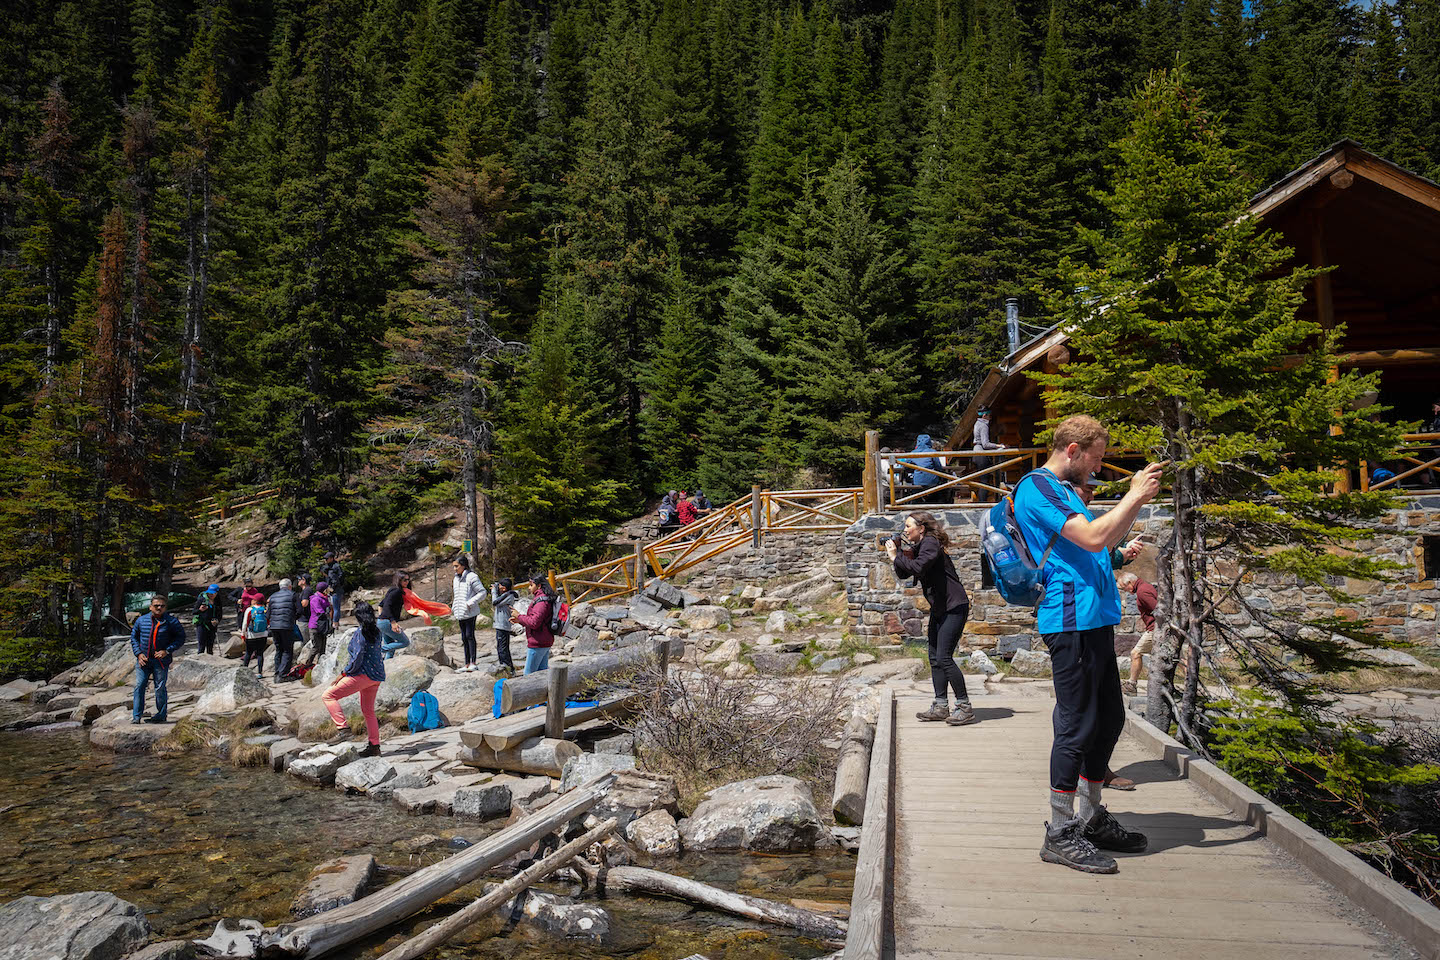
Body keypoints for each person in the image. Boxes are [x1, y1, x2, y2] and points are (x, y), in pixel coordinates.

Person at [1013, 413, 1163, 874]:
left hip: (1093, 618)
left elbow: (1104, 544)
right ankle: (1060, 833)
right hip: (1070, 619)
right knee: (1077, 725)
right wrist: (1135, 494)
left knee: (1109, 718)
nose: (1098, 468)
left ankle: (1090, 815)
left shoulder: (1061, 491)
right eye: (1096, 458)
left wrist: (1133, 507)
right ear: (1073, 450)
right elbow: (1095, 536)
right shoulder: (1036, 487)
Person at [886, 512, 974, 726]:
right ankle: (941, 705)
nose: (905, 530)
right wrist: (898, 555)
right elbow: (906, 574)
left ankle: (964, 707)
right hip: (940, 607)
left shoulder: (931, 544)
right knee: (934, 657)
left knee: (944, 657)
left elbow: (918, 567)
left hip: (954, 606)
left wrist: (895, 556)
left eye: (908, 526)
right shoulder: (921, 546)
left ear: (921, 528)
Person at [321, 600, 385, 758]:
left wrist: (344, 673)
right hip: (376, 676)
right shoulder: (377, 631)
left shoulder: (360, 633)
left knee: (328, 696)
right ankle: (374, 746)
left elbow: (356, 658)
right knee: (368, 711)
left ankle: (343, 729)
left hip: (362, 675)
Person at [130, 595, 187, 724]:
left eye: (162, 606)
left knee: (160, 687)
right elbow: (134, 638)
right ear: (151, 607)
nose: (159, 608)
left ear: (166, 607)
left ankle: (161, 715)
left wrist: (167, 651)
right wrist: (138, 654)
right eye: (156, 606)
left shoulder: (172, 622)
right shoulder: (141, 620)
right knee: (139, 686)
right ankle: (136, 716)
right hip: (143, 660)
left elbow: (181, 638)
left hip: (161, 661)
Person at [1118, 572, 1159, 697]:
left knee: (1136, 653)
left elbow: (1158, 610)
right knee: (1176, 656)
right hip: (1157, 628)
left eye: (1124, 587)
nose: (1125, 590)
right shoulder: (1145, 586)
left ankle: (1131, 684)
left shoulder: (1142, 592)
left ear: (1130, 583)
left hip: (1155, 629)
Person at [513, 575, 556, 675]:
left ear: (539, 586)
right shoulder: (545, 599)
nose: (529, 588)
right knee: (542, 674)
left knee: (529, 676)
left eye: (531, 585)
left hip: (538, 642)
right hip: (544, 640)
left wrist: (519, 616)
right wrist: (519, 620)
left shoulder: (541, 601)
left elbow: (534, 622)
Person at [451, 556, 486, 672]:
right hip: (460, 612)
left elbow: (482, 592)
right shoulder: (455, 579)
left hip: (470, 612)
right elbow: (457, 595)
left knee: (469, 636)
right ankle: (466, 664)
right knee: (463, 637)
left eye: (457, 566)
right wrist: (454, 607)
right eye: (454, 566)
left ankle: (473, 662)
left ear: (463, 565)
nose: (455, 569)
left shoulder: (472, 577)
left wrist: (470, 602)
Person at [969, 408, 1006, 502]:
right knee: (985, 480)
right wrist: (999, 445)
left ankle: (982, 502)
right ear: (984, 416)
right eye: (989, 416)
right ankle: (983, 503)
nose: (990, 418)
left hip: (976, 452)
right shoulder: (984, 425)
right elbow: (985, 444)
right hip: (981, 453)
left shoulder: (977, 423)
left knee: (983, 479)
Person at [267, 577, 300, 682]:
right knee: (287, 650)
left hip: (274, 626)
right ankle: (283, 675)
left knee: (278, 649)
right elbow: (299, 610)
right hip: (286, 626)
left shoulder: (273, 596)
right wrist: (293, 619)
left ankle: (277, 673)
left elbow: (268, 614)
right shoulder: (293, 595)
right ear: (289, 586)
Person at [378, 572, 412, 659]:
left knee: (390, 647)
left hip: (382, 622)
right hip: (387, 622)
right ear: (399, 580)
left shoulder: (393, 590)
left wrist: (381, 618)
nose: (407, 582)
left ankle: (386, 665)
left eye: (408, 580)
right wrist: (392, 622)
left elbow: (380, 605)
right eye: (404, 580)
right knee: (405, 642)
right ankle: (378, 650)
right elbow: (386, 606)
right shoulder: (397, 591)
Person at [491, 578, 520, 676]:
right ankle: (507, 668)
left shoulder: (508, 595)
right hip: (501, 625)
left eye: (499, 586)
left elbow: (495, 602)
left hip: (503, 625)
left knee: (502, 649)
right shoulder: (506, 595)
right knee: (502, 648)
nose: (497, 588)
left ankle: (508, 668)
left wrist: (493, 591)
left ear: (504, 588)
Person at [241, 594, 268, 676]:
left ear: (255, 601)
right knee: (260, 653)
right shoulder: (265, 609)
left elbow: (245, 623)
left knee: (248, 653)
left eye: (253, 599)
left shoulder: (249, 609)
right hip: (263, 635)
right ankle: (260, 672)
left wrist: (243, 634)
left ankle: (244, 671)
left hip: (251, 635)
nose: (251, 600)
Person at [309, 581, 334, 662]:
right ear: (324, 590)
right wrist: (328, 610)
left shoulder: (326, 598)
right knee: (316, 648)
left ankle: (320, 665)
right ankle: (307, 664)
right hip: (315, 626)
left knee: (323, 649)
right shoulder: (315, 599)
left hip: (323, 626)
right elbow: (320, 612)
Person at [193, 585, 221, 656]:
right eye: (209, 593)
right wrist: (200, 610)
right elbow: (194, 612)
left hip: (212, 625)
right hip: (202, 624)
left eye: (213, 593)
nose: (211, 595)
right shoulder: (202, 600)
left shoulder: (217, 600)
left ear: (216, 593)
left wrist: (217, 620)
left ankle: (210, 662)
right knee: (201, 646)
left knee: (210, 646)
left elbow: (220, 612)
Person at [321, 552, 345, 625]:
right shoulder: (328, 567)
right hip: (331, 590)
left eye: (326, 558)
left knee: (336, 608)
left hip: (335, 591)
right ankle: (333, 622)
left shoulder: (335, 567)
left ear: (331, 558)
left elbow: (337, 580)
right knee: (332, 607)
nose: (325, 560)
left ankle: (335, 623)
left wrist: (331, 588)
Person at [295, 574, 314, 654]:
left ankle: (307, 661)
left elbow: (305, 603)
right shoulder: (306, 590)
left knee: (306, 642)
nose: (298, 581)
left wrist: (297, 605)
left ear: (304, 581)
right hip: (304, 619)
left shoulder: (307, 590)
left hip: (304, 620)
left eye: (300, 579)